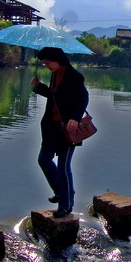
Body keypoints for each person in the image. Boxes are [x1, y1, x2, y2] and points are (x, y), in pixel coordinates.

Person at [30, 47, 89, 217]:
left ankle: (66, 205)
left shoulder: (74, 76)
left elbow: (83, 98)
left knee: (63, 166)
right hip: (51, 127)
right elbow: (54, 96)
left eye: (48, 62)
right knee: (44, 160)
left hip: (68, 129)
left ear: (57, 60)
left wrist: (75, 118)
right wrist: (39, 87)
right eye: (44, 63)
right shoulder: (55, 75)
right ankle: (61, 192)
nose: (46, 66)